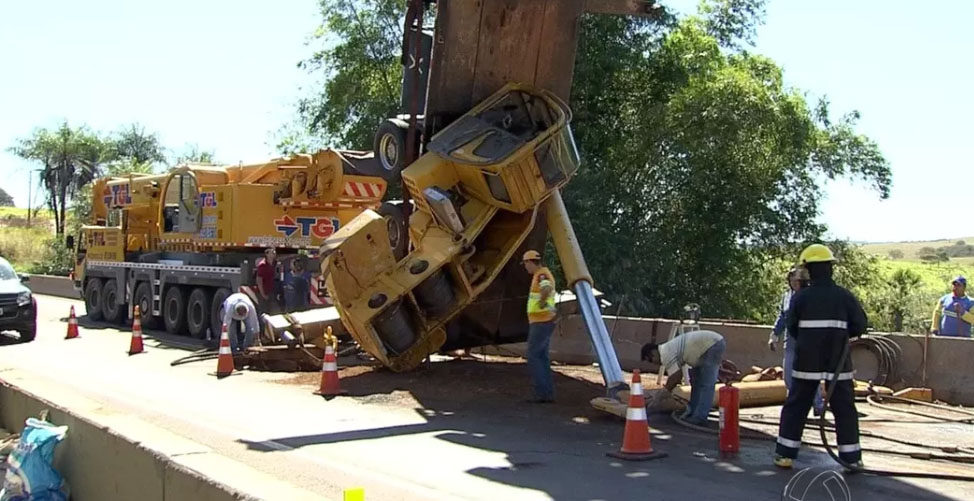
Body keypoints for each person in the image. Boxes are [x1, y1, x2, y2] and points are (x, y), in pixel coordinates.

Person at [774, 243, 867, 470]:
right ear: (830, 268)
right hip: (838, 362)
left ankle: (785, 454)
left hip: (807, 360)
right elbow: (860, 325)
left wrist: (809, 341)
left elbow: (792, 328)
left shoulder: (801, 298)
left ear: (809, 270)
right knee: (844, 407)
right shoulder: (844, 296)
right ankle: (851, 458)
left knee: (797, 405)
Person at [640, 330, 726, 426]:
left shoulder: (665, 353)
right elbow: (675, 376)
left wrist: (662, 394)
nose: (655, 364)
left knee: (706, 384)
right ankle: (692, 412)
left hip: (712, 344)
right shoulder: (668, 349)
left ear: (653, 353)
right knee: (696, 382)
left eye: (651, 360)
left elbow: (676, 377)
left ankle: (700, 417)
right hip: (705, 347)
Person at [769, 268, 824, 416]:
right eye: (791, 280)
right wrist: (774, 335)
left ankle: (818, 404)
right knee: (788, 375)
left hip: (808, 340)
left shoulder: (810, 296)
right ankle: (796, 403)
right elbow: (782, 317)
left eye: (797, 280)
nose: (794, 283)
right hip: (791, 341)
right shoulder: (787, 296)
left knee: (811, 374)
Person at [523, 249, 557, 403]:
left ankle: (541, 392)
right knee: (542, 357)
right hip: (545, 321)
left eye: (525, 263)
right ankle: (546, 392)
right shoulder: (542, 273)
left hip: (540, 321)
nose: (525, 267)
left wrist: (541, 303)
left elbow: (547, 288)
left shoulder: (541, 275)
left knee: (534, 356)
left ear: (530, 262)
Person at [256, 248, 279, 314]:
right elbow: (259, 280)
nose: (274, 253)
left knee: (274, 311)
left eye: (274, 252)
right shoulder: (262, 265)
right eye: (272, 252)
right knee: (264, 311)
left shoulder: (275, 263)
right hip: (265, 291)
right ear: (267, 254)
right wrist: (263, 294)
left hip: (272, 290)